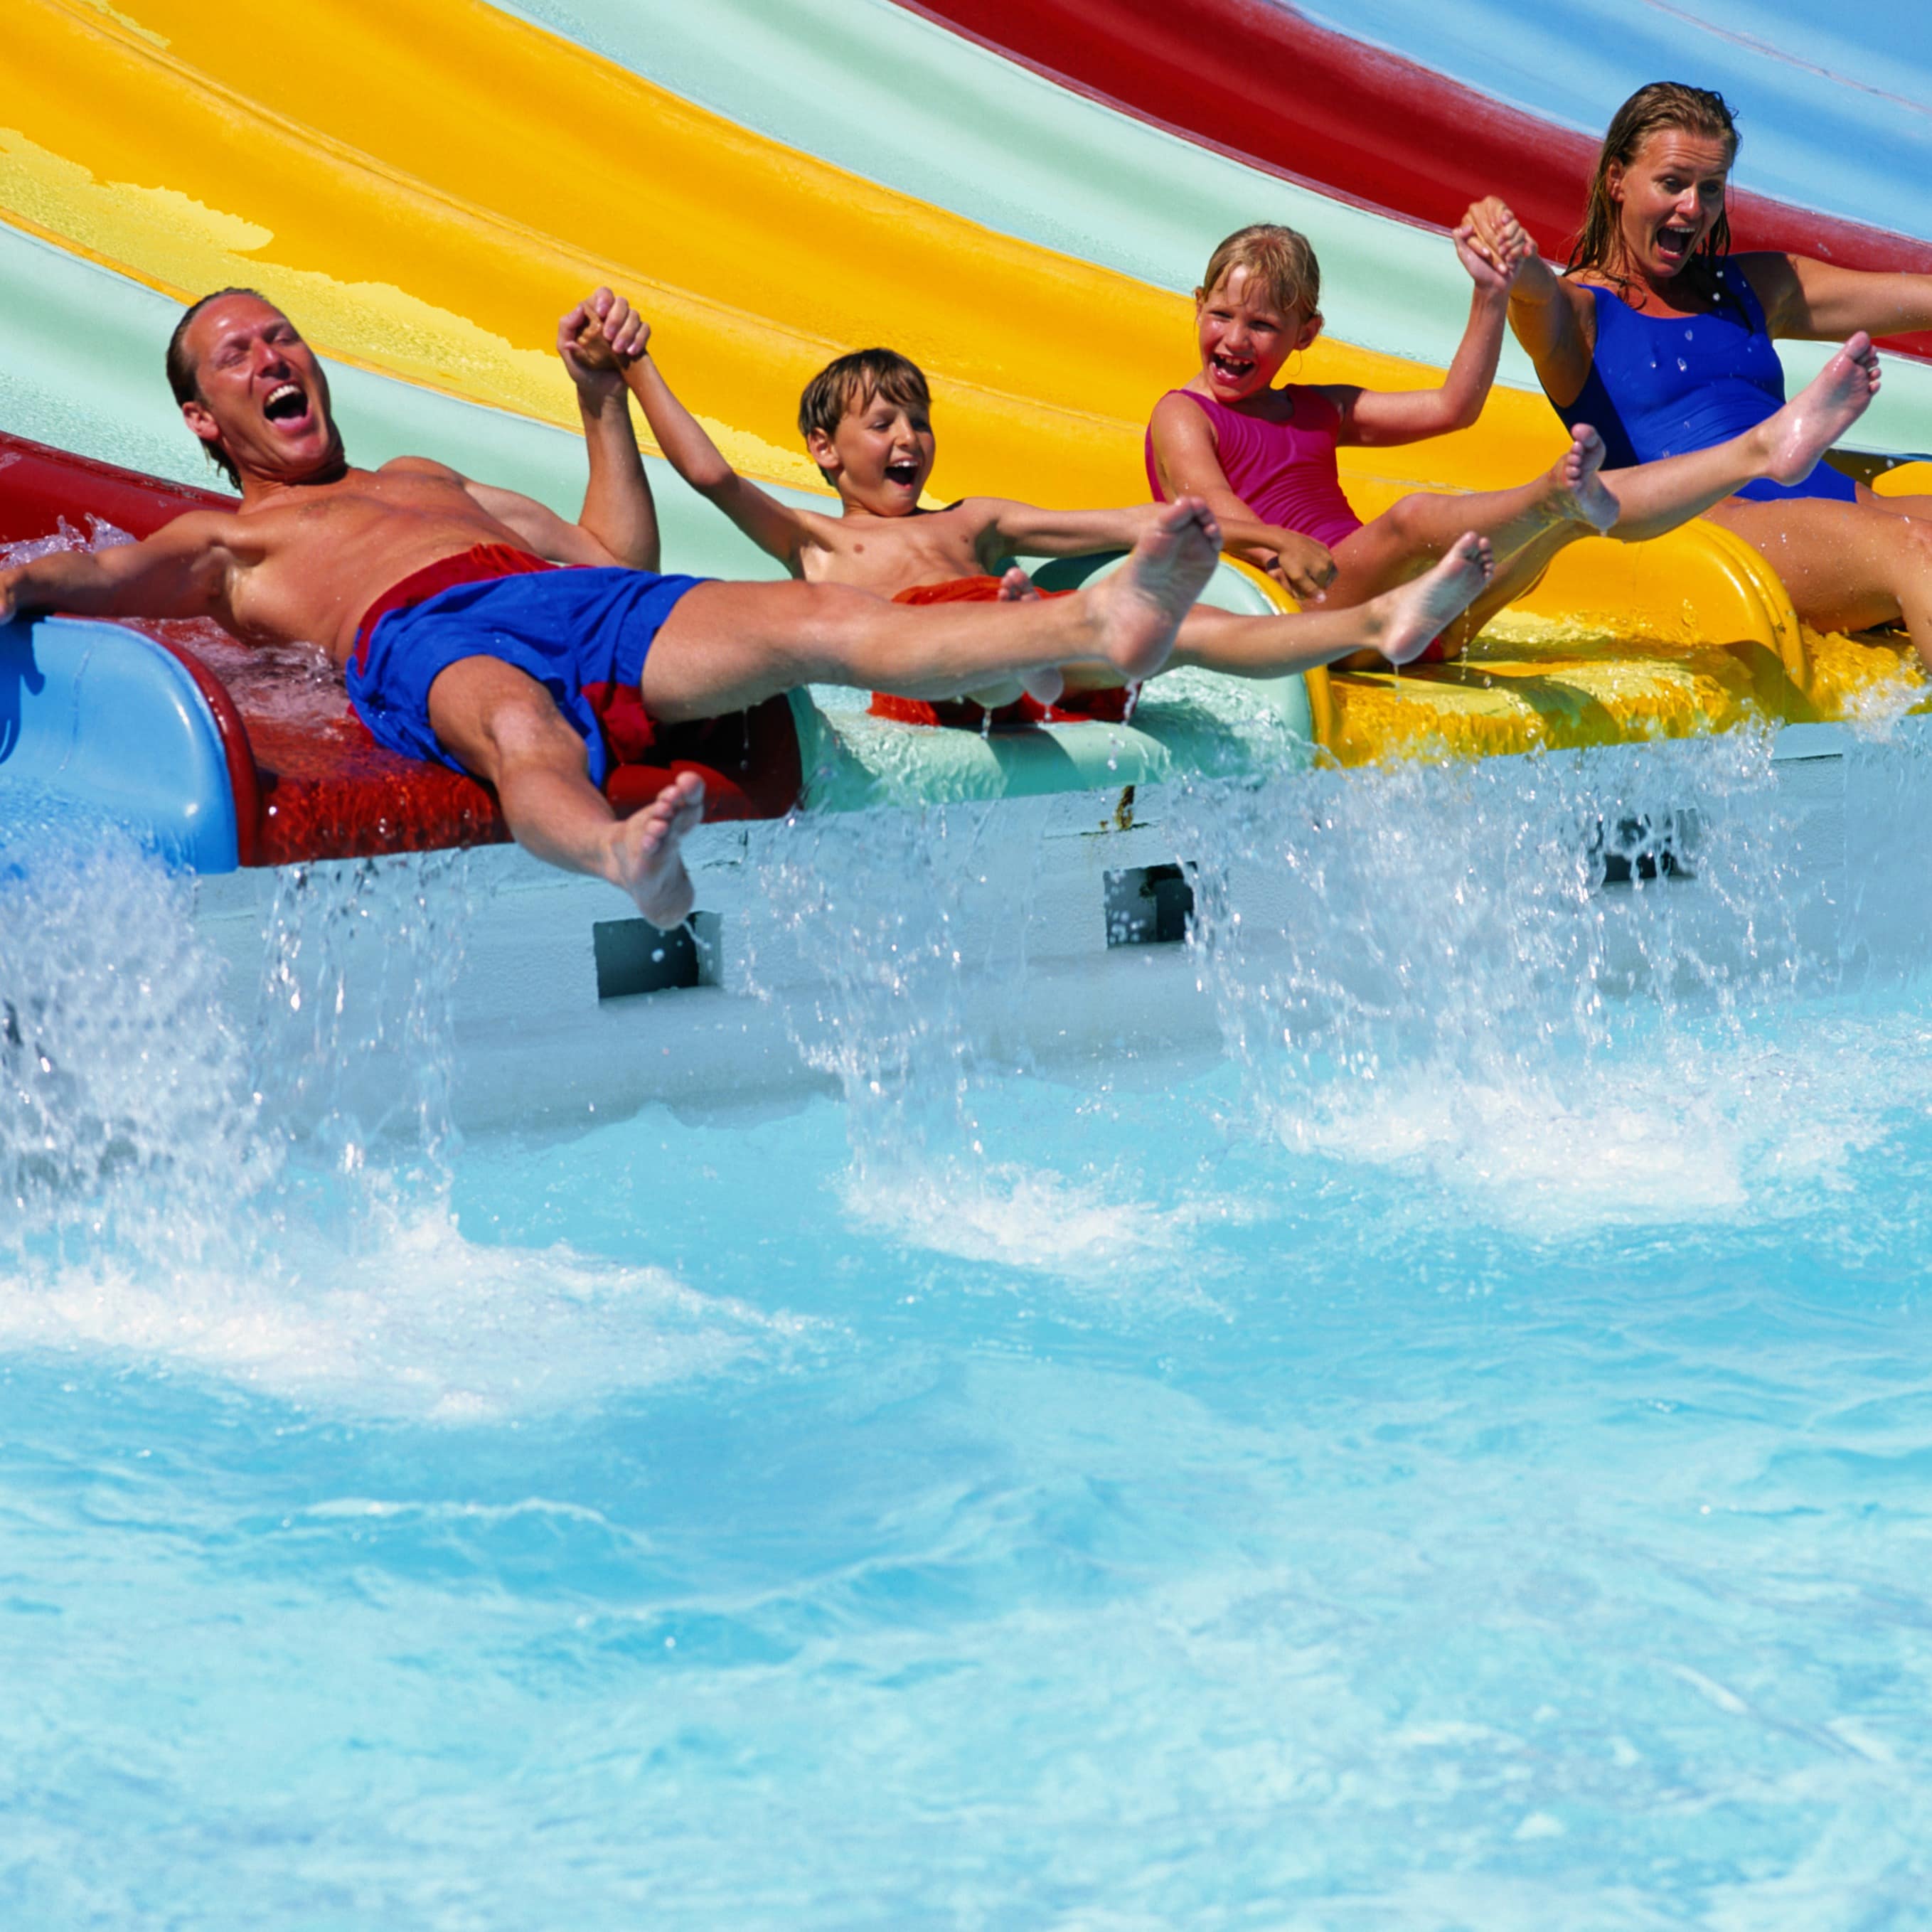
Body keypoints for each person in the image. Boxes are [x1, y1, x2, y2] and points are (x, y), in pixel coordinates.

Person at [0, 290, 1236, 926]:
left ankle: (1097, 627)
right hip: (422, 637)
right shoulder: (232, 538)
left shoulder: (426, 478)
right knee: (520, 735)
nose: (277, 360)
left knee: (817, 626)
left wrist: (598, 397)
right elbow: (100, 576)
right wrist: (20, 582)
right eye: (240, 357)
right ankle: (615, 855)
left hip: (574, 599)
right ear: (206, 422)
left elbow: (606, 547)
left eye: (284, 340)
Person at [600, 303, 1501, 713]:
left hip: (1038, 659)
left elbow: (1119, 526)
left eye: (918, 418)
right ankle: (1024, 649)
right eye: (882, 423)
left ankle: (1379, 621)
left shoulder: (971, 521)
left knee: (1184, 625)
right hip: (930, 677)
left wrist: (1234, 534)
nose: (909, 436)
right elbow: (710, 474)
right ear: (825, 451)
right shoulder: (813, 539)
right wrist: (636, 364)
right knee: (1015, 625)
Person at [1146, 220, 1884, 661]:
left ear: (1304, 334)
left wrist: (1488, 295)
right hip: (1290, 612)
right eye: (1219, 315)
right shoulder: (1186, 413)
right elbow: (1206, 514)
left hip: (1402, 622)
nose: (1232, 339)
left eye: (1261, 326)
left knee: (1576, 515)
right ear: (1197, 307)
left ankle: (1759, 449)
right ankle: (1550, 496)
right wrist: (1283, 542)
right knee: (1411, 517)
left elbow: (1454, 404)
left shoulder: (1313, 408)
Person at [1471, 81, 1932, 669]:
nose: (1693, 207)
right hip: (1727, 538)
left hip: (1849, 511)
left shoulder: (1750, 289)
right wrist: (1509, 253)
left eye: (1710, 188)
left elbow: (1910, 300)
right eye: (1672, 183)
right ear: (1616, 179)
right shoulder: (1578, 317)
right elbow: (1532, 293)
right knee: (1916, 553)